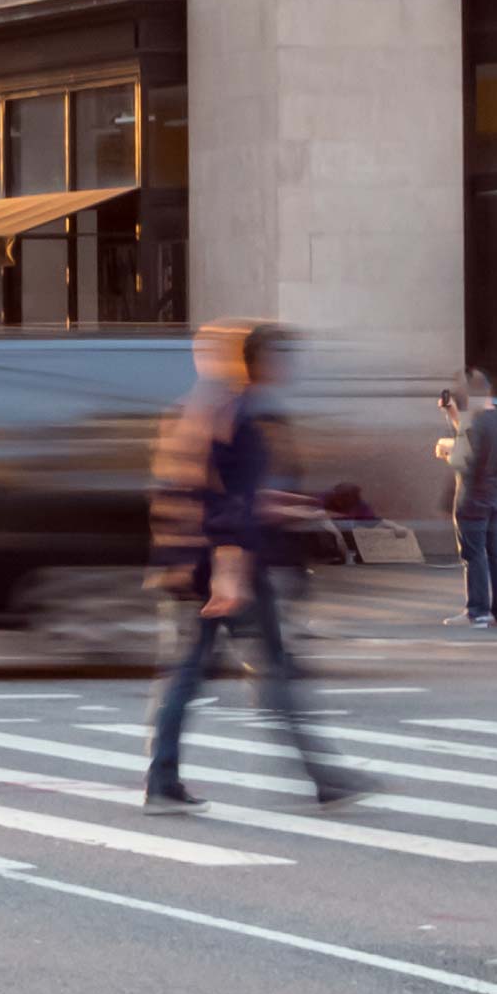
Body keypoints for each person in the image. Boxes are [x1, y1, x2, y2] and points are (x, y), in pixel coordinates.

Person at [143, 322, 368, 814]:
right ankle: (323, 778)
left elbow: (224, 493)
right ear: (260, 363)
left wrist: (306, 505)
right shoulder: (238, 415)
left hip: (200, 561)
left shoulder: (207, 409)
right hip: (230, 566)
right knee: (266, 670)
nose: (288, 367)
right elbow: (229, 503)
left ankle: (163, 780)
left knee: (196, 672)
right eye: (281, 357)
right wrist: (229, 570)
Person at [437, 369, 497, 628]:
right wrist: (451, 413)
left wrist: (447, 452)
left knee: (474, 555)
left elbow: (462, 460)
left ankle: (477, 612)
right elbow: (471, 436)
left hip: (472, 498)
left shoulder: (475, 421)